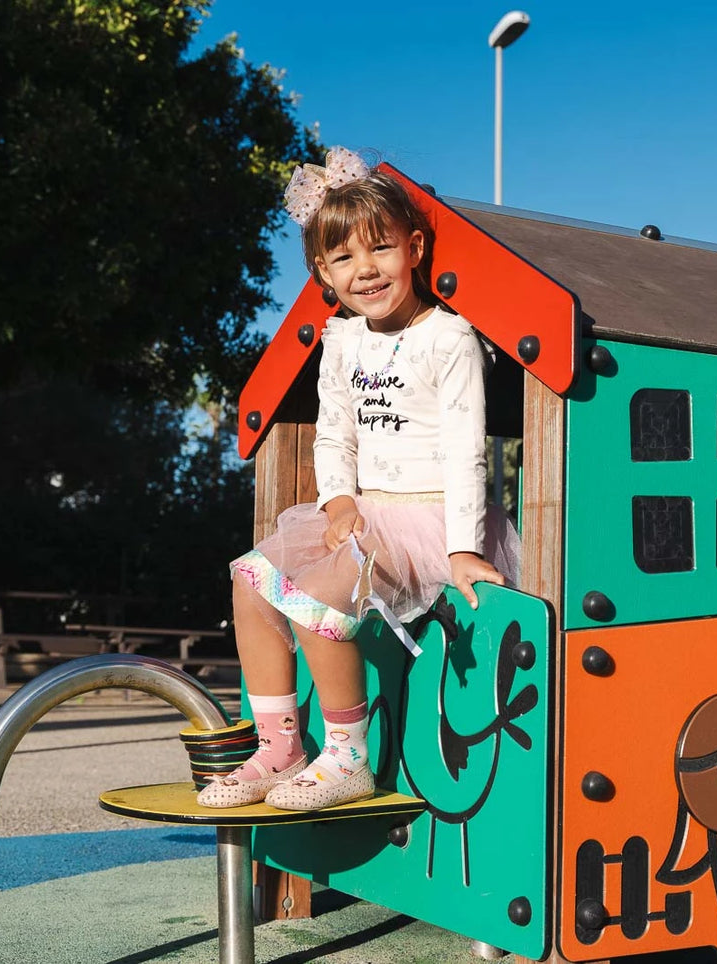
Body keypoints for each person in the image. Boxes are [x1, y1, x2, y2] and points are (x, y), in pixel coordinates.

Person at [199, 148, 520, 811]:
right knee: (250, 582)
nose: (365, 269)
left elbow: (466, 449)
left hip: (431, 521)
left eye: (380, 249)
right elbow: (334, 432)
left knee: (316, 604)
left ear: (415, 247)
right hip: (363, 511)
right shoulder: (341, 342)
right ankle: (278, 745)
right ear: (322, 270)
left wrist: (464, 548)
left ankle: (347, 757)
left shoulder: (448, 339)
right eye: (343, 258)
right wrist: (337, 499)